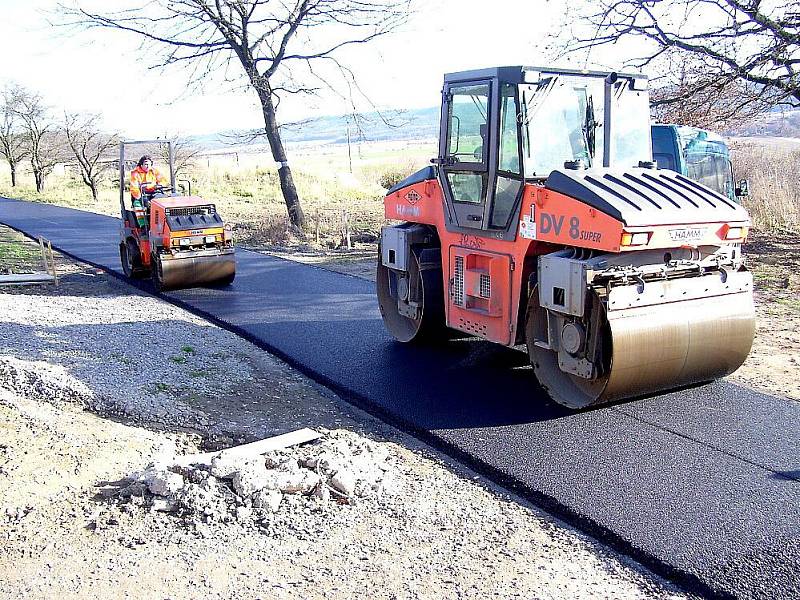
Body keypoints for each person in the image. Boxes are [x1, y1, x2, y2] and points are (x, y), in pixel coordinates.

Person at [130, 155, 168, 227]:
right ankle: (144, 225)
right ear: (141, 165)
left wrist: (159, 185)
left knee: (161, 203)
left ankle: (161, 224)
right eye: (146, 164)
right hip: (141, 194)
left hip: (154, 193)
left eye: (150, 164)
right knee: (138, 205)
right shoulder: (135, 173)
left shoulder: (154, 171)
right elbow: (134, 187)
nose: (148, 166)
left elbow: (163, 180)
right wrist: (140, 197)